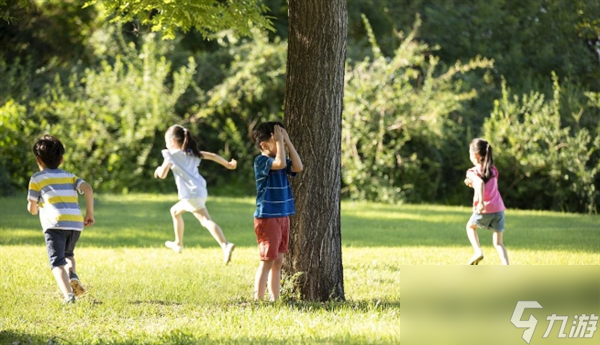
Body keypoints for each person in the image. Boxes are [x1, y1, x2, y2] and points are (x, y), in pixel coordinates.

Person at [154, 124, 237, 264]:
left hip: (190, 194)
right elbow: (212, 155)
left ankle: (225, 244)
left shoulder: (171, 155)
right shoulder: (191, 153)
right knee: (174, 211)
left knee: (205, 220)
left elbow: (162, 174)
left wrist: (157, 170)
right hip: (199, 190)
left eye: (167, 141)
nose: (166, 144)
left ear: (172, 141)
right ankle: (178, 244)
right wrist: (227, 164)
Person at [27, 135, 95, 304]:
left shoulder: (37, 178)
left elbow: (32, 207)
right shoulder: (70, 176)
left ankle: (69, 296)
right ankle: (72, 274)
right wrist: (89, 214)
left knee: (57, 262)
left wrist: (35, 208)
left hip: (54, 225)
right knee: (68, 254)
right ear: (62, 160)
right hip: (75, 224)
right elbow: (87, 188)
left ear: (38, 159)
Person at [252, 122, 303, 301]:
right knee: (267, 260)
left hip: (283, 216)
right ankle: (258, 299)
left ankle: (275, 298)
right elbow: (280, 164)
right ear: (265, 145)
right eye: (277, 141)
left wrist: (287, 142)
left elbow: (298, 167)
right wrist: (281, 143)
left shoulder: (280, 159)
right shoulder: (262, 161)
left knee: (279, 260)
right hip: (267, 217)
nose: (281, 143)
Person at [464, 138, 509, 265]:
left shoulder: (472, 171)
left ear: (475, 155)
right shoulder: (494, 170)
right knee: (498, 243)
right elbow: (487, 186)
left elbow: (480, 183)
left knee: (470, 227)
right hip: (499, 209)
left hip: (485, 208)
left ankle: (478, 251)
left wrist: (481, 202)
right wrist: (472, 184)